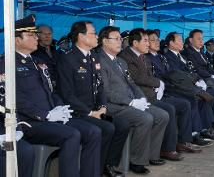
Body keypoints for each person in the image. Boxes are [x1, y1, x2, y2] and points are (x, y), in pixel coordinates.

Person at [5, 15, 101, 177]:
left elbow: (51, 90)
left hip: (51, 115)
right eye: (31, 35)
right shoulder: (7, 63)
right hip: (28, 121)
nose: (37, 38)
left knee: (92, 131)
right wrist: (46, 114)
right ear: (16, 40)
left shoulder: (38, 62)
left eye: (36, 34)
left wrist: (58, 107)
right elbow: (14, 99)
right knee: (72, 134)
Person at [56, 21, 129, 177]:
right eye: (93, 33)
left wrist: (102, 106)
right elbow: (66, 94)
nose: (97, 36)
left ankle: (106, 165)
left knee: (122, 125)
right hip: (77, 112)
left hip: (95, 111)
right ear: (81, 36)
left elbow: (100, 85)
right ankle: (93, 170)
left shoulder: (93, 57)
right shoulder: (67, 59)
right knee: (106, 128)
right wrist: (90, 112)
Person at [98, 26, 172, 174]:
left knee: (162, 115)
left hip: (131, 102)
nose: (120, 42)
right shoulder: (100, 61)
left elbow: (132, 83)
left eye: (120, 39)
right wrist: (130, 102)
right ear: (105, 41)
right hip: (113, 105)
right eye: (116, 39)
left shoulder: (120, 61)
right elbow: (106, 91)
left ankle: (151, 155)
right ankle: (135, 160)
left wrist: (141, 98)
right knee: (145, 119)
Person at [145, 30, 202, 155]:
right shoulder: (147, 58)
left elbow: (172, 74)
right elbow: (158, 77)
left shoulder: (160, 56)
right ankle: (174, 145)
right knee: (183, 102)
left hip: (170, 88)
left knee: (189, 99)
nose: (157, 42)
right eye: (152, 40)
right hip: (159, 91)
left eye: (157, 39)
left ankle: (186, 139)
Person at [163, 32, 214, 142]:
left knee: (206, 97)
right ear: (171, 43)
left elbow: (192, 70)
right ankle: (195, 133)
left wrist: (198, 79)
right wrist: (194, 79)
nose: (182, 42)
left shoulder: (181, 56)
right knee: (194, 98)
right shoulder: (168, 57)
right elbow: (176, 75)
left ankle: (205, 128)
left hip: (189, 84)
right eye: (179, 40)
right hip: (177, 87)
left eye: (181, 40)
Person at [183, 29, 214, 132]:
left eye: (202, 39)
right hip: (202, 80)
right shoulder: (188, 52)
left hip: (208, 78)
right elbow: (197, 69)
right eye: (198, 39)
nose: (201, 41)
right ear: (191, 40)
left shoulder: (200, 51)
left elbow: (208, 66)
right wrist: (211, 76)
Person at [0, 55, 34, 177]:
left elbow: (8, 103)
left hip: (2, 129)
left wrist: (17, 130)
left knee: (25, 150)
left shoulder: (2, 68)